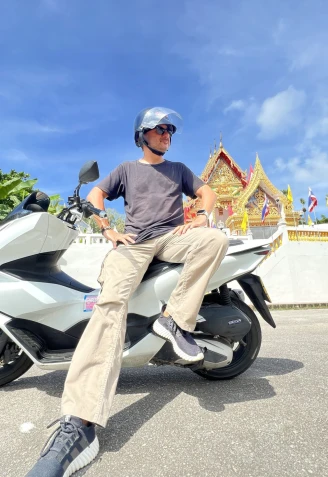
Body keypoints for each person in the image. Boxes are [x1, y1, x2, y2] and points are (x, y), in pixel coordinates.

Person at [26, 107, 229, 477]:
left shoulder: (179, 169)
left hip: (172, 238)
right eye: (160, 129)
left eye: (170, 130)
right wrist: (107, 229)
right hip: (134, 244)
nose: (167, 134)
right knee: (110, 304)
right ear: (143, 134)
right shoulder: (126, 169)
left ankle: (175, 323)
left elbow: (208, 192)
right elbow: (96, 193)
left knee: (214, 238)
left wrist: (201, 215)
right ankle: (82, 423)